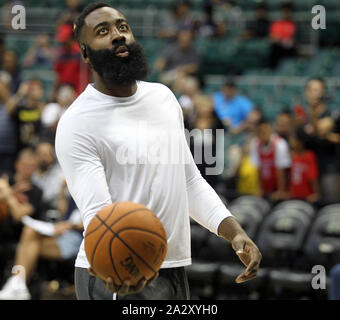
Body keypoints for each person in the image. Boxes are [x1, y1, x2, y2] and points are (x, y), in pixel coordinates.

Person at [55, 2, 262, 300]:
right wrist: (124, 269)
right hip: (115, 269)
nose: (118, 35)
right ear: (86, 53)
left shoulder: (163, 98)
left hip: (172, 267)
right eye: (103, 31)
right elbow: (99, 215)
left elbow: (189, 181)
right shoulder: (77, 122)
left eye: (122, 27)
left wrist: (234, 232)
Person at [250, 118, 291, 201]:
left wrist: (281, 191)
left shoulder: (280, 144)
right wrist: (261, 189)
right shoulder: (255, 144)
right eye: (261, 131)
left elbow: (281, 170)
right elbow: (258, 169)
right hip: (266, 188)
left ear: (271, 130)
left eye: (266, 130)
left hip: (279, 188)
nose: (264, 133)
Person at [5, 79, 45, 151]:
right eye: (33, 89)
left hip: (36, 149)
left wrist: (39, 100)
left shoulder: (41, 107)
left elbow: (46, 117)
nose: (35, 92)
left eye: (38, 89)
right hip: (19, 148)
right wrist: (19, 94)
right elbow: (8, 110)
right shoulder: (20, 108)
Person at [288, 128, 320, 204]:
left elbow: (313, 177)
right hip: (294, 196)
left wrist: (316, 193)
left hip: (306, 197)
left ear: (301, 142)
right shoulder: (291, 156)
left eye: (293, 139)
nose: (291, 141)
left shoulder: (309, 156)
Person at [268, 1, 297, 69]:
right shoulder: (276, 24)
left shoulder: (293, 24)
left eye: (287, 11)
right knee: (274, 49)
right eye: (284, 11)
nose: (286, 13)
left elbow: (293, 41)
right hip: (278, 48)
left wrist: (281, 40)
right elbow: (272, 38)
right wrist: (280, 40)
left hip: (289, 49)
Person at [0, 71, 17, 175]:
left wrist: (5, 95)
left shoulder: (14, 99)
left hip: (9, 150)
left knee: (6, 177)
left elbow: (11, 110)